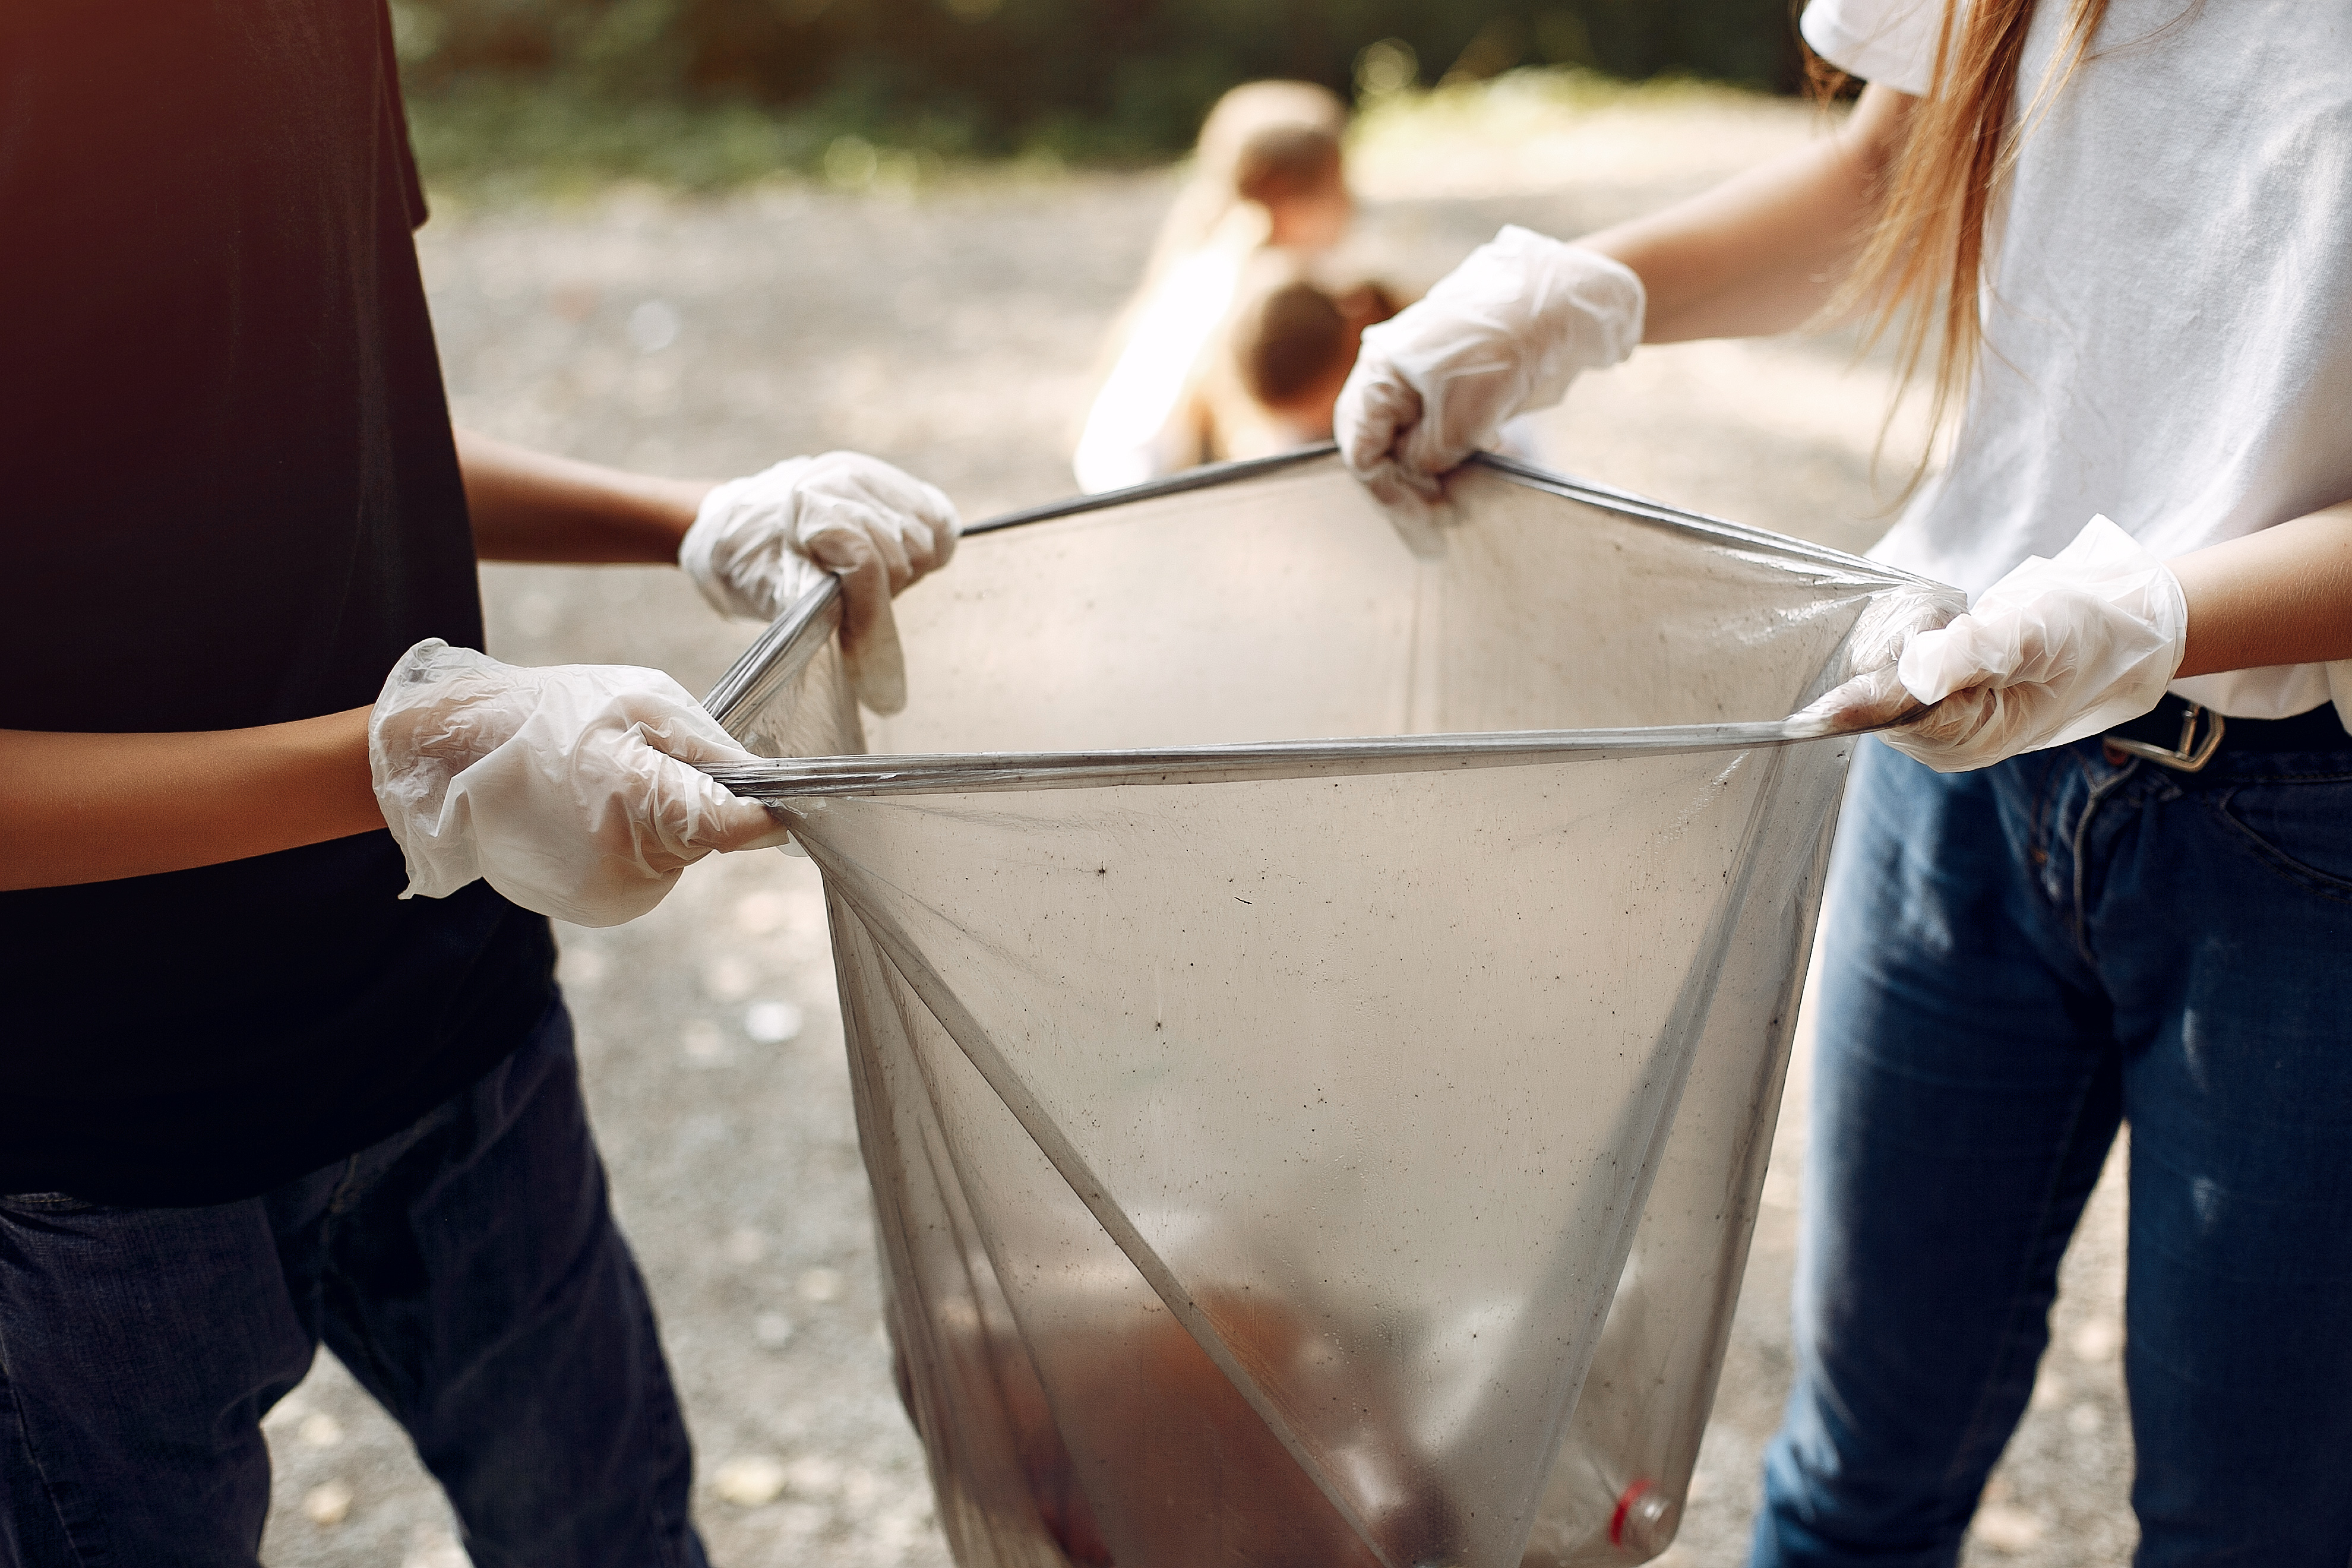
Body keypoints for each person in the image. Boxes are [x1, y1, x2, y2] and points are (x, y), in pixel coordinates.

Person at [1337, 1, 2352, 1562]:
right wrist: (1567, 298)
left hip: (2304, 828)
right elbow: (1902, 167)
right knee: (1851, 1475)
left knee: (2254, 1524)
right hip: (1959, 757)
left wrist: (2142, 621)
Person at [0, 4, 956, 1562]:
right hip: (94, 1150)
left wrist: (692, 518)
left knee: (620, 1535)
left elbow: (305, 404)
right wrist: (419, 755)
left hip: (451, 1027)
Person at [1072, 80, 1355, 491]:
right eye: (1339, 184)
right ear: (1286, 195)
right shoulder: (1264, 290)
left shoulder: (1210, 255)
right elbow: (1250, 434)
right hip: (1152, 496)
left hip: (1118, 479)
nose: (1351, 203)